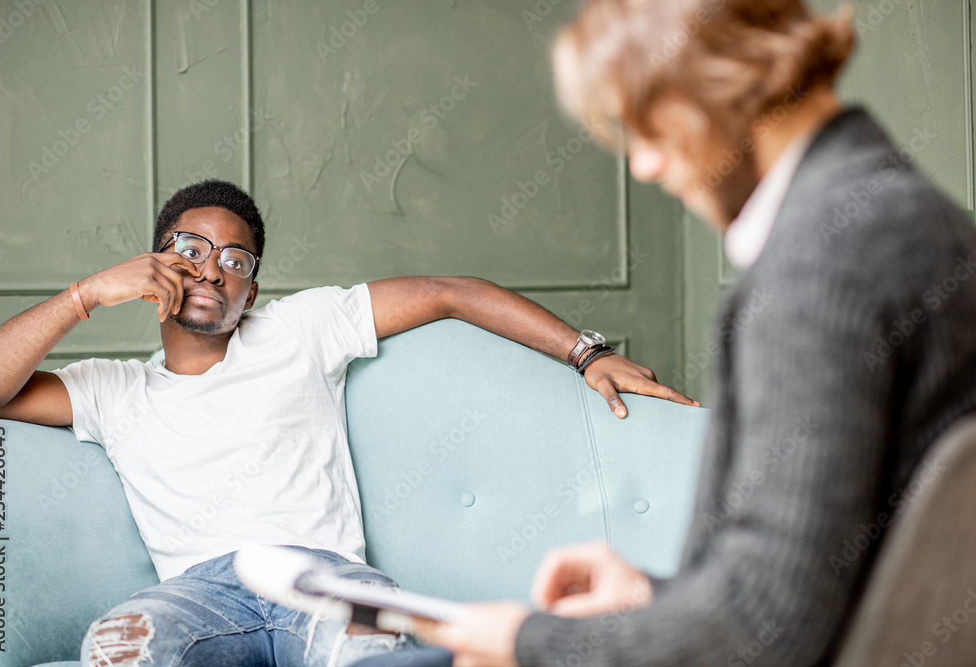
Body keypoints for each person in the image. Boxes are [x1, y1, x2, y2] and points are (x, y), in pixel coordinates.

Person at [406, 1, 976, 666]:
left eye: (649, 125)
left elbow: (762, 627)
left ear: (720, 82)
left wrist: (528, 641)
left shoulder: (816, 268)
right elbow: (825, 583)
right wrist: (653, 596)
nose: (644, 166)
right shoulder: (925, 220)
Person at [0, 179, 696, 667]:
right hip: (199, 593)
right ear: (155, 265)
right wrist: (87, 294)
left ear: (249, 289)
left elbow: (450, 292)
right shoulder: (111, 390)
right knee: (121, 644)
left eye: (234, 260)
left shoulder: (300, 327)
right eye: (190, 250)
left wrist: (587, 353)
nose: (209, 270)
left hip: (320, 576)